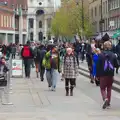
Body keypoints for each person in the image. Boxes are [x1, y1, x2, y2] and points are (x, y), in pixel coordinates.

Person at [96, 41, 118, 109]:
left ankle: (105, 98)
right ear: (110, 46)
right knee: (109, 88)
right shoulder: (113, 55)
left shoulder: (100, 55)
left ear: (103, 46)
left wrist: (97, 75)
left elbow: (98, 65)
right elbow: (117, 65)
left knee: (102, 88)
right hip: (110, 74)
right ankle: (108, 103)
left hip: (103, 74)